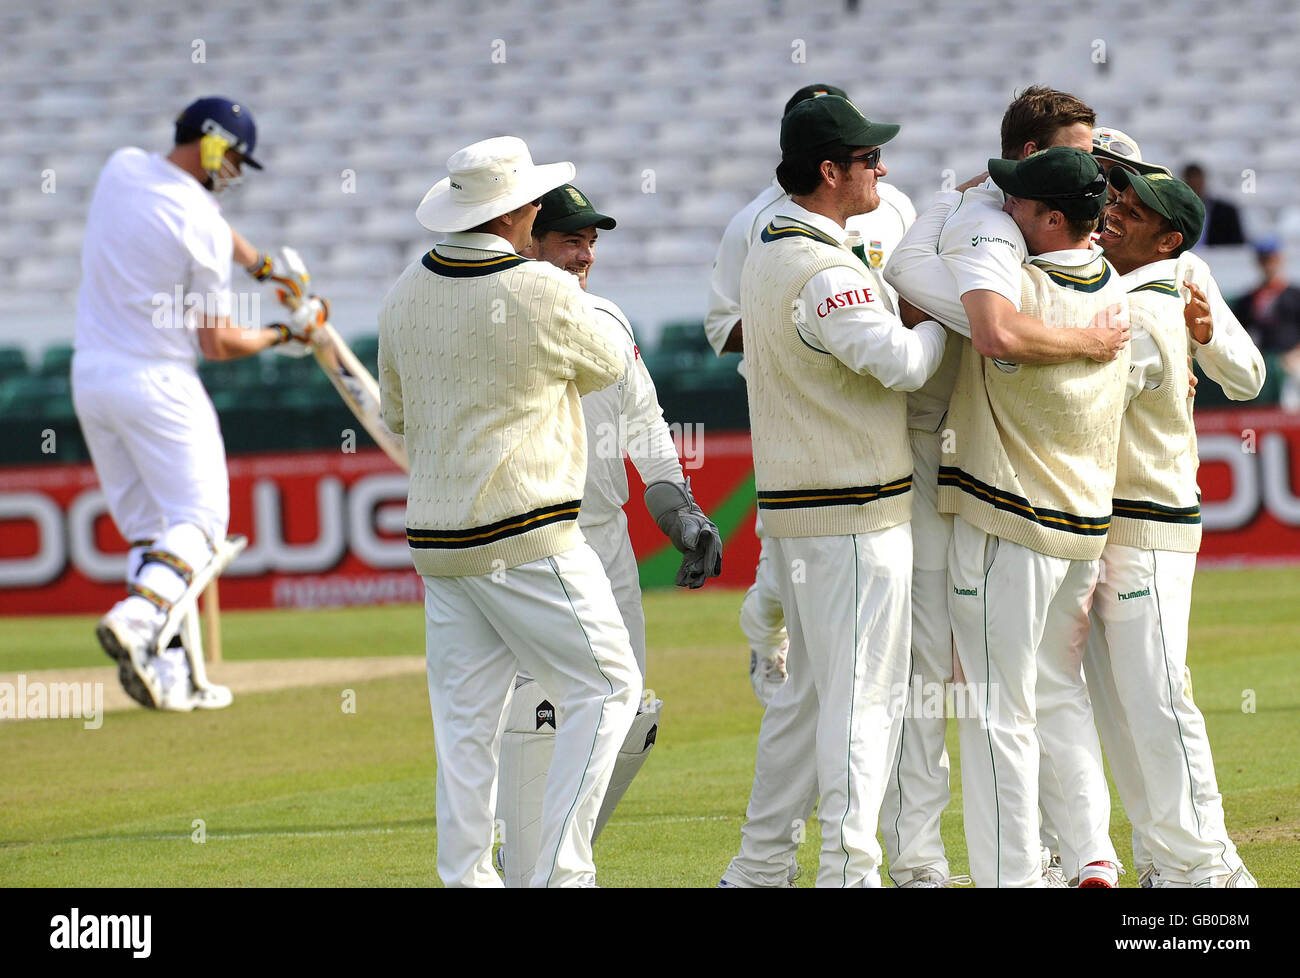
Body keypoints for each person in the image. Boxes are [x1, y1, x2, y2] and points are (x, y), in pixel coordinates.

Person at [378, 136, 642, 888]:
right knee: (609, 686)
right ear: (512, 214)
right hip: (525, 533)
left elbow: (396, 415)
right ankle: (561, 875)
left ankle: (467, 879)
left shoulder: (403, 293)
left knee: (466, 726)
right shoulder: (540, 289)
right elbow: (609, 364)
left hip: (440, 543)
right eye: (531, 203)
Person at [882, 87, 1128, 888]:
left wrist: (952, 203)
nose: (1007, 204)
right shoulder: (1111, 288)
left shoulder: (1020, 296)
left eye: (1020, 198)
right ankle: (1090, 852)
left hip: (1010, 522)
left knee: (996, 712)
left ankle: (1011, 879)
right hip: (1082, 525)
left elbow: (912, 276)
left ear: (1051, 218)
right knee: (1055, 693)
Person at [719, 96, 947, 888]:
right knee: (864, 704)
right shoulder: (821, 269)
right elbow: (904, 365)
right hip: (850, 514)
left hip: (804, 512)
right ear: (829, 171)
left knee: (809, 703)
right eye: (868, 159)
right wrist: (943, 315)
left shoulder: (771, 244)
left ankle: (758, 868)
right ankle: (849, 872)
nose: (881, 169)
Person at [495, 183, 722, 886]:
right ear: (530, 241)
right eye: (571, 240)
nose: (585, 254)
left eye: (591, 241)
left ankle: (545, 860)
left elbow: (645, 425)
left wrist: (680, 511)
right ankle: (536, 868)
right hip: (530, 541)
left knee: (624, 712)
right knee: (544, 707)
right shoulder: (496, 319)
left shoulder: (607, 318)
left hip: (606, 540)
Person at [78, 96, 318, 713]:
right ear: (212, 144)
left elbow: (198, 214)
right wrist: (284, 334)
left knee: (150, 532)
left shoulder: (121, 167)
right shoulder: (203, 228)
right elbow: (217, 344)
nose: (234, 171)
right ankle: (137, 618)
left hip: (92, 377)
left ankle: (168, 673)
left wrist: (263, 266)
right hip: (158, 383)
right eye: (234, 158)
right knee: (204, 527)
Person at [704, 82, 917, 708]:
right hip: (799, 419)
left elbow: (912, 292)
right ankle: (768, 635)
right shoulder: (754, 223)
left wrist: (871, 332)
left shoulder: (891, 205)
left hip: (886, 408)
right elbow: (722, 326)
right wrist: (822, 329)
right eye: (866, 155)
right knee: (786, 556)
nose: (878, 166)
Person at [1086, 167, 1263, 887]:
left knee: (1158, 697)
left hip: (1149, 516)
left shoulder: (1179, 279)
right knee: (1122, 710)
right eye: (1114, 198)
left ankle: (1213, 869)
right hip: (1093, 523)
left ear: (1169, 239)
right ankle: (1163, 862)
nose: (1113, 210)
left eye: (1133, 207)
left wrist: (1204, 337)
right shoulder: (1091, 269)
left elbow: (1248, 378)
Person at [1231, 239, 1300, 355]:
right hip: (1261, 356)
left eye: (1272, 259)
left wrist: (1296, 354)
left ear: (1280, 259)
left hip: (1292, 356)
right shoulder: (1248, 300)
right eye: (1264, 259)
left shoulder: (1295, 296)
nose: (1268, 265)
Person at [1182, 163, 1246, 246]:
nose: (1195, 187)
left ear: (1204, 181)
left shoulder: (1226, 212)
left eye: (1197, 182)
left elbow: (1237, 245)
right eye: (1191, 184)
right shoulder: (1174, 212)